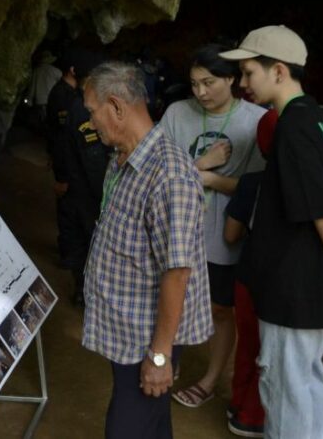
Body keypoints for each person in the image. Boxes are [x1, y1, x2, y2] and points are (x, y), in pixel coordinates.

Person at [219, 25, 323, 439]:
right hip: (309, 284)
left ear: (278, 72)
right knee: (307, 384)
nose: (242, 83)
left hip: (296, 289)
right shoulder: (317, 121)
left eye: (249, 72)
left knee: (288, 390)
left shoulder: (293, 126)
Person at [81, 62, 213, 439]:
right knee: (151, 425)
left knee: (126, 428)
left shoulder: (168, 174)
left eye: (92, 112)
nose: (91, 122)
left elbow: (178, 271)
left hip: (147, 341)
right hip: (126, 332)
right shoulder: (122, 159)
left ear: (117, 107)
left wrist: (159, 356)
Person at [161, 43, 266, 411]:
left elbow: (254, 187)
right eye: (194, 84)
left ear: (232, 79)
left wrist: (203, 178)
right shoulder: (177, 113)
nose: (200, 92)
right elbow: (158, 171)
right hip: (177, 230)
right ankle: (165, 361)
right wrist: (202, 167)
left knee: (221, 311)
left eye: (209, 82)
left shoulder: (255, 121)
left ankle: (209, 380)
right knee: (170, 299)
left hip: (223, 235)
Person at [60, 47, 110, 305]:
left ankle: (83, 291)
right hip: (88, 193)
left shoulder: (78, 104)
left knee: (82, 243)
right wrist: (106, 198)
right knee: (89, 244)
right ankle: (87, 293)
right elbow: (93, 162)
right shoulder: (84, 110)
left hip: (79, 189)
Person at [46, 59, 79, 268]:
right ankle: (67, 255)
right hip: (65, 162)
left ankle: (70, 251)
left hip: (69, 161)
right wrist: (62, 174)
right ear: (73, 69)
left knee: (72, 209)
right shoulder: (61, 94)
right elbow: (60, 135)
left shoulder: (69, 93)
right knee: (67, 209)